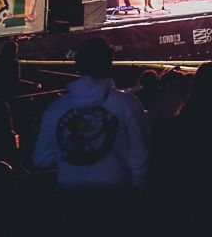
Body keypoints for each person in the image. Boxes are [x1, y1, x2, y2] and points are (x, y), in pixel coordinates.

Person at [31, 38, 149, 191]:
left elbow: (40, 158)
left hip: (72, 200)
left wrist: (71, 161)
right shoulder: (127, 103)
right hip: (117, 198)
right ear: (109, 64)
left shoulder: (55, 109)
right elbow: (140, 156)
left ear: (78, 66)